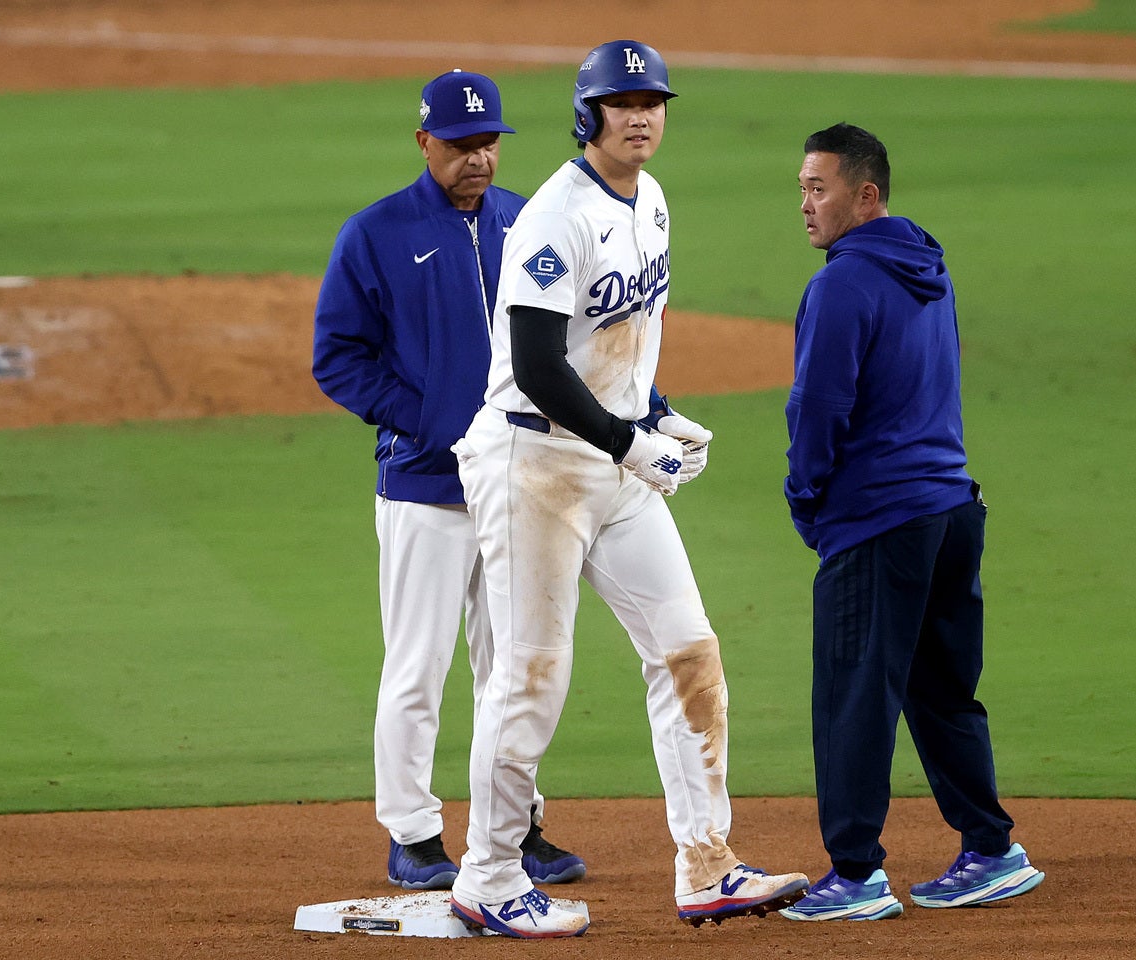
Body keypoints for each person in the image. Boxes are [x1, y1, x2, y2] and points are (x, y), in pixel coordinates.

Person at [446, 40, 809, 939]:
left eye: (654, 100)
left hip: (614, 463)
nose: (643, 114)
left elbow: (623, 341)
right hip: (534, 466)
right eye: (624, 102)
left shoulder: (651, 201)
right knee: (530, 676)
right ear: (589, 114)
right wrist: (627, 441)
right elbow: (534, 365)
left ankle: (708, 865)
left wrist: (658, 414)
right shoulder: (554, 217)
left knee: (689, 650)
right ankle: (488, 875)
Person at [311, 69, 585, 893]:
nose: (479, 157)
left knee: (516, 665)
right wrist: (426, 420)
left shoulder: (526, 220)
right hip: (425, 489)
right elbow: (338, 358)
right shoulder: (376, 234)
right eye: (462, 144)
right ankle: (414, 834)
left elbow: (567, 337)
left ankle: (515, 825)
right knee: (419, 667)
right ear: (424, 140)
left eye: (490, 141)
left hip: (515, 487)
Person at [777, 123, 1044, 922]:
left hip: (878, 518)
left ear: (867, 194)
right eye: (800, 188)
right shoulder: (930, 265)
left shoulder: (842, 284)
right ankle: (992, 849)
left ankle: (855, 874)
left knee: (854, 698)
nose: (805, 205)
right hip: (952, 506)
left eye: (818, 188)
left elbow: (818, 408)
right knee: (941, 690)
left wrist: (805, 496)